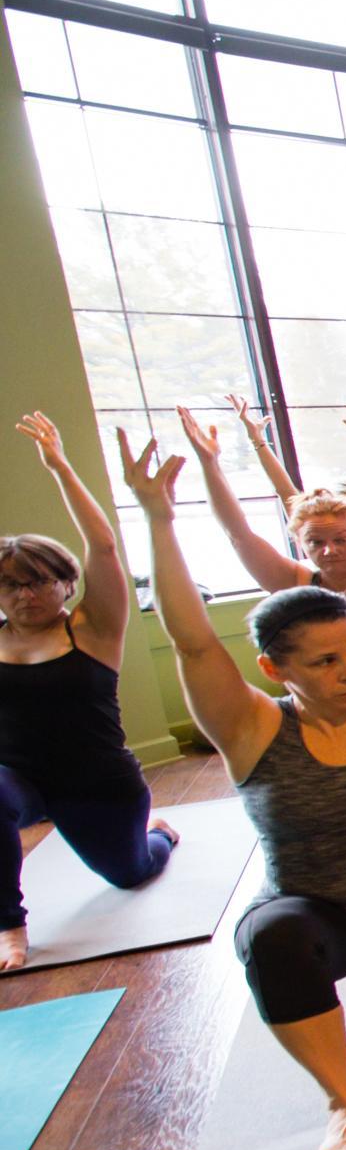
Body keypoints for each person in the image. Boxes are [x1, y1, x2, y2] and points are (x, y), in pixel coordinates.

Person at [126, 429, 346, 1150]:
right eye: (326, 661)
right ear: (273, 669)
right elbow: (193, 643)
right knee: (270, 938)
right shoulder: (253, 729)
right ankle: (343, 1103)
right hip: (318, 914)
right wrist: (159, 521)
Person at [1, 412, 178, 974]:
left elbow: (103, 547)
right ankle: (9, 924)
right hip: (18, 782)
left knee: (132, 873)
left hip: (98, 784)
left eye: (38, 580)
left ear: (65, 582)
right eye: (9, 584)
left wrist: (60, 468)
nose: (24, 594)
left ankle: (159, 833)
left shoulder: (93, 628)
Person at [176, 401, 346, 678]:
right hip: (324, 713)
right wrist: (209, 464)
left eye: (341, 540)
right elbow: (238, 533)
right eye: (315, 542)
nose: (329, 550)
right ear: (301, 543)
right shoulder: (296, 580)